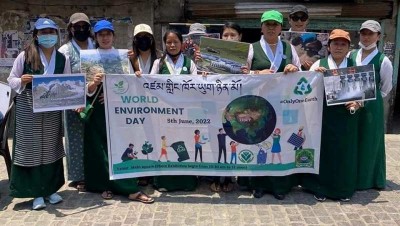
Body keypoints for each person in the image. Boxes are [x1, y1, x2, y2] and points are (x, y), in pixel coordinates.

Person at [83, 19, 154, 204]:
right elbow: (83, 88)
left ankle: (128, 187)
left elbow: (131, 83)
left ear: (113, 36)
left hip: (118, 107)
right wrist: (93, 84)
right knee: (98, 148)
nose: (105, 38)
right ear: (96, 37)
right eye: (101, 34)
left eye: (108, 34)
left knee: (121, 146)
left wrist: (113, 95)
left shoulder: (123, 56)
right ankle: (103, 185)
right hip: (96, 109)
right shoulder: (88, 57)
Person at [7, 18, 71, 210]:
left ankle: (50, 189)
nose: (48, 36)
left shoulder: (62, 59)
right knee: (31, 150)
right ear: (36, 35)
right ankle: (35, 192)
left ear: (56, 35)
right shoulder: (25, 56)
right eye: (43, 33)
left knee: (51, 148)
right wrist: (22, 80)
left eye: (51, 32)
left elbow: (69, 82)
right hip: (29, 109)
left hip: (52, 110)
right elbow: (11, 79)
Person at [245, 10, 301, 200]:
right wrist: (256, 74)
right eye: (267, 24)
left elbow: (300, 73)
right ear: (261, 26)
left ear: (280, 28)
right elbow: (241, 75)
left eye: (275, 24)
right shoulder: (252, 48)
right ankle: (258, 184)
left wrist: (294, 69)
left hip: (284, 103)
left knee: (282, 143)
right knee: (259, 143)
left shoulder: (289, 48)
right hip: (258, 105)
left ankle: (280, 185)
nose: (271, 27)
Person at [302, 29, 360, 202]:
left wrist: (358, 104)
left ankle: (343, 189)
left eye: (343, 44)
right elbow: (306, 90)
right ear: (329, 46)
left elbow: (363, 92)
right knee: (324, 152)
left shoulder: (354, 66)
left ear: (349, 47)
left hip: (346, 117)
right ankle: (319, 187)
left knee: (344, 153)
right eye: (335, 43)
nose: (339, 47)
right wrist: (315, 76)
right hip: (323, 116)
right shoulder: (318, 64)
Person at [150, 29, 198, 192]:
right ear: (165, 44)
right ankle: (164, 182)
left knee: (185, 144)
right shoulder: (159, 63)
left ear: (181, 43)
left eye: (175, 42)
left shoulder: (189, 63)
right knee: (165, 144)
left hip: (185, 113)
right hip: (164, 113)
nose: (172, 45)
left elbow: (197, 85)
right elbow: (149, 85)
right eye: (169, 42)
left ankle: (187, 182)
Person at [349, 20, 393, 190]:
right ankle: (351, 175)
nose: (366, 37)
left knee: (369, 142)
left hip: (371, 108)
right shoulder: (351, 55)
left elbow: (386, 88)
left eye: (370, 34)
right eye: (364, 33)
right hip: (350, 103)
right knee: (353, 140)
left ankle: (368, 180)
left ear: (378, 36)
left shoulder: (383, 61)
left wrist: (368, 101)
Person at [58, 12, 95, 192]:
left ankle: (94, 172)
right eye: (77, 27)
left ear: (89, 29)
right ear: (71, 29)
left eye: (84, 26)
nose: (81, 29)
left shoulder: (95, 46)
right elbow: (62, 78)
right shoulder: (64, 51)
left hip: (95, 97)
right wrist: (72, 100)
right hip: (73, 101)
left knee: (93, 136)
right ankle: (78, 176)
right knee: (75, 138)